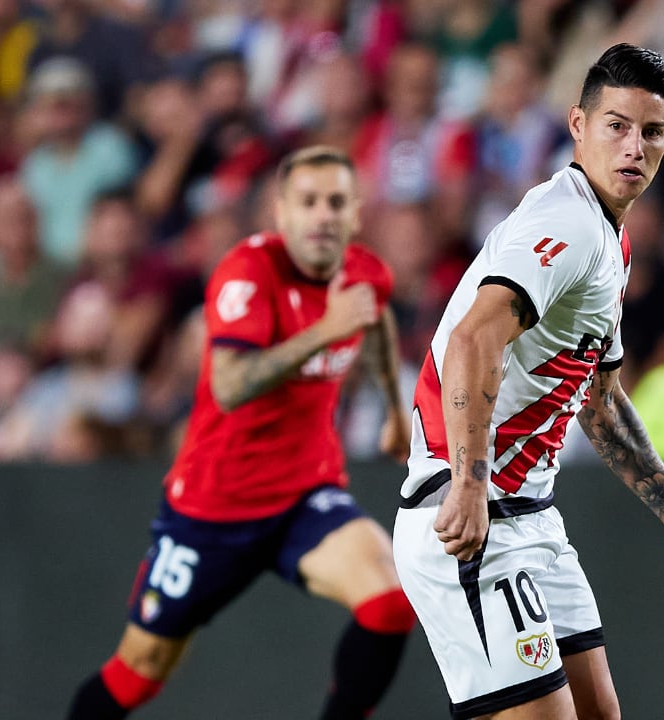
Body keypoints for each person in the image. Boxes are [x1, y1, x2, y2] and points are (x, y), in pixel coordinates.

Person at [391, 43, 664, 719]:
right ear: (578, 126)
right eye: (617, 125)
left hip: (531, 517)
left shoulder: (611, 236)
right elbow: (471, 338)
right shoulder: (567, 223)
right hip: (465, 513)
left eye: (652, 132)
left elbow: (598, 402)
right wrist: (468, 480)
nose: (633, 146)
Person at [66, 146, 416, 719]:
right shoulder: (248, 272)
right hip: (212, 509)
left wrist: (394, 407)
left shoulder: (365, 275)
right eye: (308, 202)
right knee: (137, 673)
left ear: (357, 214)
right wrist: (323, 331)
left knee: (390, 600)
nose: (323, 215)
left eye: (336, 202)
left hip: (304, 495)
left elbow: (373, 321)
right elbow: (230, 384)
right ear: (281, 213)